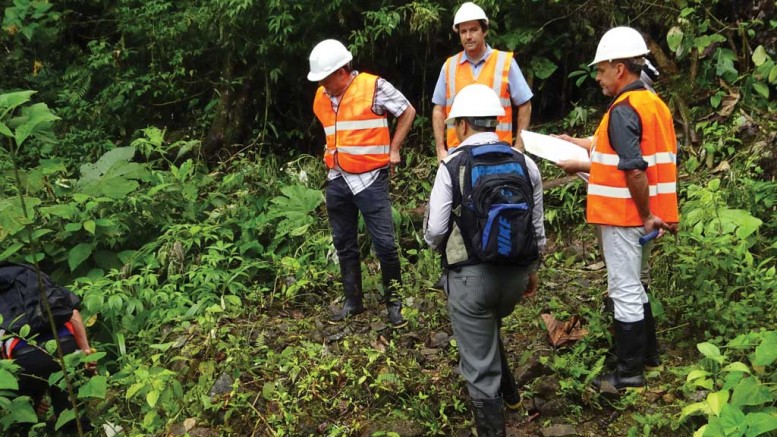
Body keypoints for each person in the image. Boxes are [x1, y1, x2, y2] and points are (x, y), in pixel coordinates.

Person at [555, 27, 679, 390]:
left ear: (619, 69)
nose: (597, 77)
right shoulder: (653, 104)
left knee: (623, 288)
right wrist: (574, 144)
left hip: (627, 215)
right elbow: (615, 150)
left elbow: (634, 167)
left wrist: (642, 215)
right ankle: (648, 355)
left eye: (601, 69)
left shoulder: (625, 109)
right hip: (650, 214)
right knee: (636, 285)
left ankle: (628, 373)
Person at [425, 84, 545, 435]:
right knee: (487, 328)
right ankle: (511, 395)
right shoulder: (526, 165)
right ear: (496, 122)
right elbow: (537, 231)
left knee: (479, 368)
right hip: (515, 280)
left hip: (470, 283)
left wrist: (445, 258)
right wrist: (531, 272)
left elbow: (434, 231)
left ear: (461, 125)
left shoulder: (452, 166)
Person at [431, 2, 539, 298]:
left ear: (484, 30)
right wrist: (441, 148)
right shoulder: (450, 66)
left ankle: (497, 264)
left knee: (497, 210)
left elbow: (524, 103)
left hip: (500, 156)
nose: (468, 37)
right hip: (460, 159)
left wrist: (519, 145)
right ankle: (460, 268)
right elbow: (439, 108)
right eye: (463, 31)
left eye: (473, 30)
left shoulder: (504, 62)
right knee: (458, 217)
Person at [307, 39, 416, 328]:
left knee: (385, 245)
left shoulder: (373, 87)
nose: (322, 84)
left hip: (370, 178)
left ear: (342, 71)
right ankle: (353, 302)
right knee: (344, 243)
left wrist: (394, 149)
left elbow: (407, 111)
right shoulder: (321, 97)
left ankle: (395, 305)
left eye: (325, 78)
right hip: (338, 177)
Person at [1, 263, 95, 433]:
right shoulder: (29, 275)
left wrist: (32, 396)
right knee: (73, 415)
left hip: (23, 358)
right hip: (65, 347)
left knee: (23, 421)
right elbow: (73, 313)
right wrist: (86, 351)